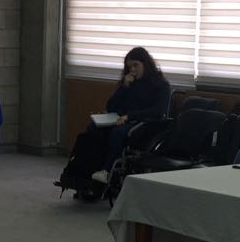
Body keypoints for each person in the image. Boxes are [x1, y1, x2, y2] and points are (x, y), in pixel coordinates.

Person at [56, 47, 171, 198]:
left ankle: (106, 170)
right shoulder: (129, 82)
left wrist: (129, 116)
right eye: (129, 67)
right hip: (120, 119)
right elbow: (111, 106)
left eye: (136, 65)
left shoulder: (161, 85)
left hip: (142, 123)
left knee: (118, 133)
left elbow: (158, 111)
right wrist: (124, 87)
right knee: (92, 129)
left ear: (146, 64)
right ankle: (81, 171)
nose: (132, 70)